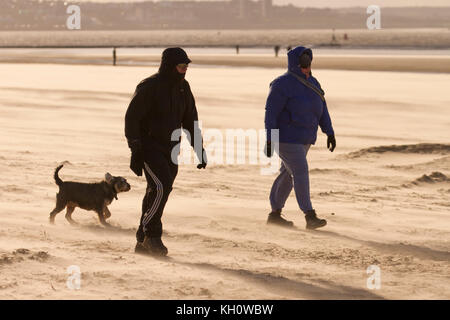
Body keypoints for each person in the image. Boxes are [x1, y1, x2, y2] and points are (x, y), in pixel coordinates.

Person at [125, 47, 207, 256]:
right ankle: (152, 236)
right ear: (170, 66)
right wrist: (135, 149)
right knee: (161, 187)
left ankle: (142, 239)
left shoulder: (183, 88)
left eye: (186, 66)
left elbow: (190, 120)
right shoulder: (149, 86)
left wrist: (199, 149)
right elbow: (132, 118)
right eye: (181, 66)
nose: (184, 70)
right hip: (148, 147)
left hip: (171, 148)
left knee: (158, 190)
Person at [264, 45, 336, 230]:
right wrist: (270, 138)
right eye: (304, 60)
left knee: (288, 174)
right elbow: (271, 113)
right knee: (301, 171)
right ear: (297, 62)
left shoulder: (314, 83)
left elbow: (322, 110)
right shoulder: (282, 84)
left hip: (305, 138)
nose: (307, 64)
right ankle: (309, 215)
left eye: (309, 60)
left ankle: (274, 215)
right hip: (285, 138)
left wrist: (329, 132)